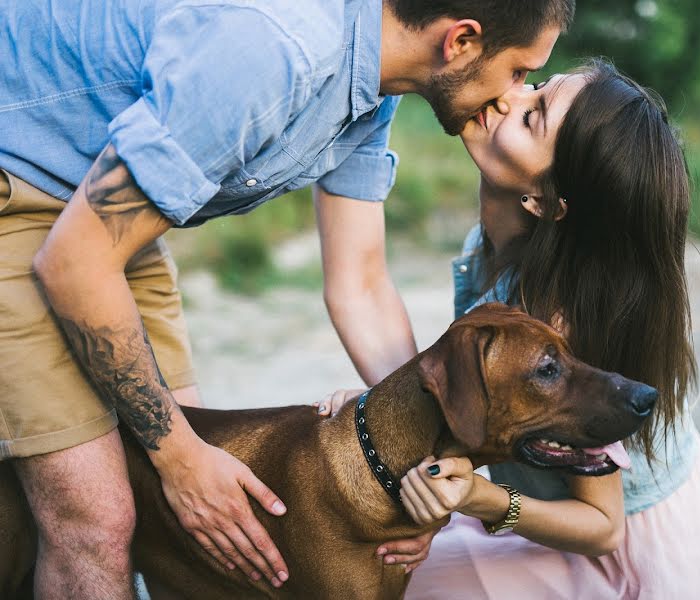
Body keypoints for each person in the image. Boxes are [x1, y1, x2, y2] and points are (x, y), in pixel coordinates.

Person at [0, 0, 575, 596]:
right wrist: (180, 457)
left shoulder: (376, 86)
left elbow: (361, 286)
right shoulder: (276, 49)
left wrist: (421, 468)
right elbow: (74, 263)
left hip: (108, 214)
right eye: (518, 71)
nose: (514, 96)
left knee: (200, 523)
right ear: (460, 41)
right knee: (98, 519)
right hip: (23, 193)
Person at [320, 59, 700, 598]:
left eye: (533, 116)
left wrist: (477, 499)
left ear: (543, 201)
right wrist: (396, 400)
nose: (507, 97)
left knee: (387, 578)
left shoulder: (559, 323)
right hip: (560, 515)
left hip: (631, 555)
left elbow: (603, 527)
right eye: (536, 85)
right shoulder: (496, 251)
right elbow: (364, 287)